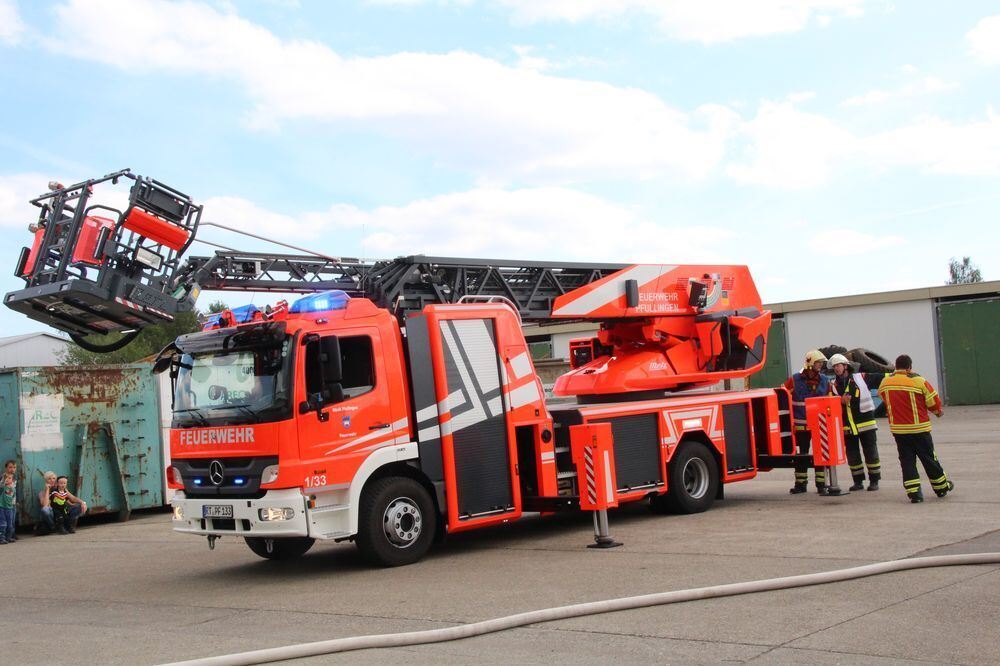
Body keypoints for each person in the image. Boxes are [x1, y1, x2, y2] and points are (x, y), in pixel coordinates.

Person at [878, 354, 954, 503]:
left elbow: (883, 396)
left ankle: (914, 493)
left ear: (895, 366)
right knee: (929, 459)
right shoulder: (919, 381)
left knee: (907, 461)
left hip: (899, 430)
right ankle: (941, 487)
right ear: (910, 367)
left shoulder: (885, 382)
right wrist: (938, 412)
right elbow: (933, 401)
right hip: (919, 429)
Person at [828, 354, 884, 491]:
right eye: (834, 366)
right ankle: (858, 481)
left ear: (845, 366)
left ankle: (874, 481)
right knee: (853, 455)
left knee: (870, 452)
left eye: (838, 365)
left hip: (866, 424)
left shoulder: (861, 378)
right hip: (847, 426)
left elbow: (882, 378)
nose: (836, 368)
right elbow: (829, 402)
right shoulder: (833, 385)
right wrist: (839, 401)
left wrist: (897, 374)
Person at [784, 350, 833, 494]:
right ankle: (800, 484)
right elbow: (782, 395)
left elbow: (830, 400)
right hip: (800, 426)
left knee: (820, 455)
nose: (820, 365)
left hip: (819, 425)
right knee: (801, 455)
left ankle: (821, 484)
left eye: (821, 363)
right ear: (810, 363)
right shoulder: (794, 380)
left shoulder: (825, 380)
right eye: (818, 363)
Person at [3, 460, 17, 541]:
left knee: (12, 519)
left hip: (13, 502)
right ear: (6, 468)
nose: (12, 469)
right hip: (5, 503)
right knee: (6, 520)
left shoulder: (14, 479)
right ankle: (4, 536)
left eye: (14, 467)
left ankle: (12, 534)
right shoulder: (3, 477)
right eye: (10, 467)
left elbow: (14, 490)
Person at [0, 469, 15, 544]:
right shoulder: (2, 488)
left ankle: (8, 537)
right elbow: (1, 484)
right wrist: (3, 480)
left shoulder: (13, 489)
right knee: (3, 523)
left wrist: (13, 504)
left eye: (9, 478)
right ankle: (1, 538)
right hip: (2, 507)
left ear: (12, 480)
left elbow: (13, 497)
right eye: (6, 478)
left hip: (10, 508)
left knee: (10, 523)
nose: (7, 479)